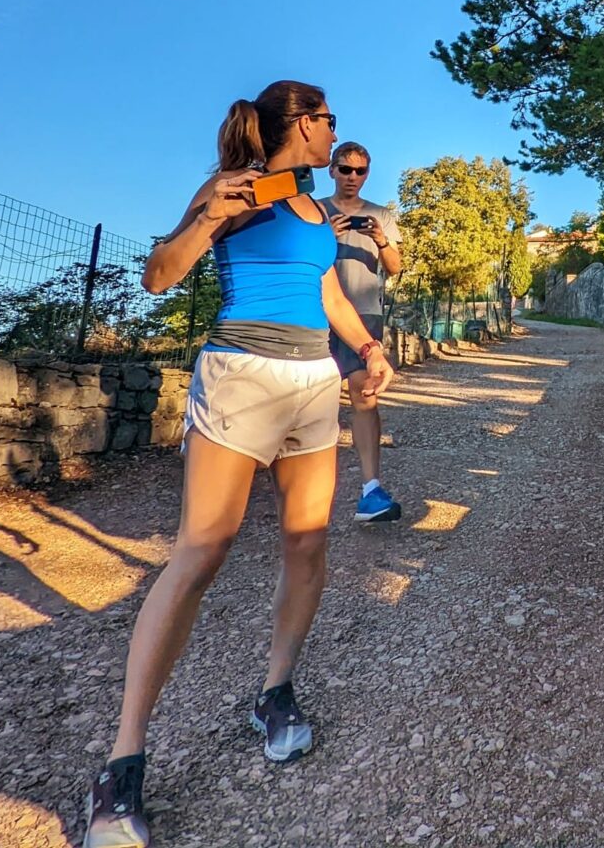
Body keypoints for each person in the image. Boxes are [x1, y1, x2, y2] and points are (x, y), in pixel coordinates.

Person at [82, 81, 393, 848]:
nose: (335, 134)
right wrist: (208, 216)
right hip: (240, 373)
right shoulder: (237, 187)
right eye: (326, 121)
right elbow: (160, 274)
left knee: (308, 544)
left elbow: (325, 290)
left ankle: (275, 691)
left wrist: (367, 346)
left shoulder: (313, 206)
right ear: (298, 123)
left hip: (313, 380)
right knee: (201, 551)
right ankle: (121, 765)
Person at [318, 141, 405, 522]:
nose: (352, 177)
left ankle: (371, 489)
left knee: (364, 395)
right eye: (345, 169)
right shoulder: (314, 211)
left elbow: (395, 267)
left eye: (360, 171)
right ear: (332, 170)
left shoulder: (381, 215)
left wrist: (381, 240)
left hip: (364, 314)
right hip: (315, 313)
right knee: (310, 399)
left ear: (367, 174)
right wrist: (326, 237)